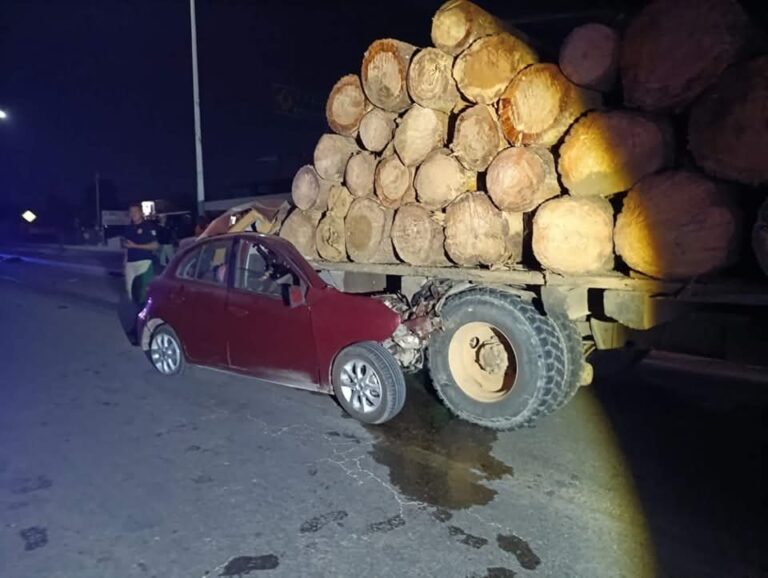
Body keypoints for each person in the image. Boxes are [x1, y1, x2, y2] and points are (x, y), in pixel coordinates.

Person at [123, 203, 159, 303]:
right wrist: (125, 261)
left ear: (141, 213)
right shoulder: (129, 228)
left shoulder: (148, 226)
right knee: (130, 291)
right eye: (131, 212)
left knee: (144, 292)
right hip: (130, 263)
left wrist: (136, 246)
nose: (133, 214)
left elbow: (155, 245)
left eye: (136, 212)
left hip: (144, 263)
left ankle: (145, 315)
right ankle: (134, 313)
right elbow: (127, 246)